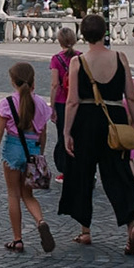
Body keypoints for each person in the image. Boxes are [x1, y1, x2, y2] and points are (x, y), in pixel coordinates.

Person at [57, 14, 134, 254]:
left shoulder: (77, 62)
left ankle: (85, 231)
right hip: (114, 119)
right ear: (105, 32)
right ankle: (132, 227)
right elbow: (132, 96)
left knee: (82, 175)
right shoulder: (120, 58)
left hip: (85, 120)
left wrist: (66, 132)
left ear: (83, 35)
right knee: (119, 173)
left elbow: (72, 101)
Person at [0, 61, 55, 253]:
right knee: (27, 194)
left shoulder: (7, 103)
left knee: (13, 194)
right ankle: (41, 221)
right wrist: (40, 155)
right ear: (33, 80)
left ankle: (18, 239)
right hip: (33, 150)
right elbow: (44, 133)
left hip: (13, 149)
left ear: (13, 81)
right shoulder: (41, 103)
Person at [48, 26, 79, 176]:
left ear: (59, 41)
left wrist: (52, 107)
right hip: (79, 100)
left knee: (63, 134)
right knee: (79, 134)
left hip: (62, 101)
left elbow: (55, 84)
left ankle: (65, 169)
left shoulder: (56, 59)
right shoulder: (81, 57)